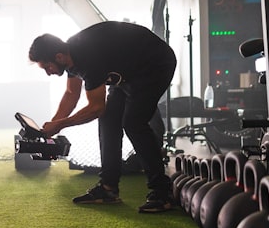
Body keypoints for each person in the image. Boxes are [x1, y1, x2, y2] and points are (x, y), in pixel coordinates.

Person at [28, 21, 177, 213]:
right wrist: (54, 125)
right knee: (108, 119)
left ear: (58, 57)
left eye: (47, 67)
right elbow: (71, 94)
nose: (48, 73)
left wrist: (61, 125)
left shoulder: (88, 58)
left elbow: (96, 108)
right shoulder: (70, 56)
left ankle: (162, 193)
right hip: (127, 71)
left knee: (134, 123)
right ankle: (108, 188)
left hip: (155, 65)